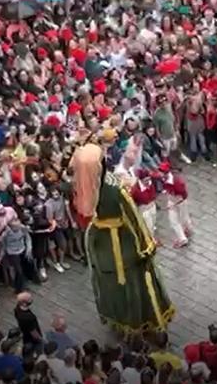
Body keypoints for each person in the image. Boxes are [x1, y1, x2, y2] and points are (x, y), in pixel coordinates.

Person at [71, 140, 174, 334]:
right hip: (121, 240)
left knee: (106, 280)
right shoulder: (114, 188)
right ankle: (139, 319)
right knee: (134, 279)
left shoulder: (83, 187)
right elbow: (132, 216)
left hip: (98, 239)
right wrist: (146, 246)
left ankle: (116, 317)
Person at [160, 161, 192, 248]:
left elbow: (183, 195)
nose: (161, 174)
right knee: (179, 218)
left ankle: (183, 238)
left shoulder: (177, 182)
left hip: (179, 202)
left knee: (177, 220)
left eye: (162, 172)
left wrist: (174, 203)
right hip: (173, 200)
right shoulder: (166, 179)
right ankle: (187, 230)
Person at [130, 168, 158, 239]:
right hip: (144, 210)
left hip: (152, 206)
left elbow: (153, 195)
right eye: (146, 180)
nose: (148, 182)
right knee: (148, 226)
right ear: (141, 180)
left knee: (153, 224)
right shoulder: (135, 190)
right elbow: (132, 200)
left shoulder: (150, 183)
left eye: (149, 179)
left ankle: (152, 238)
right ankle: (151, 240)